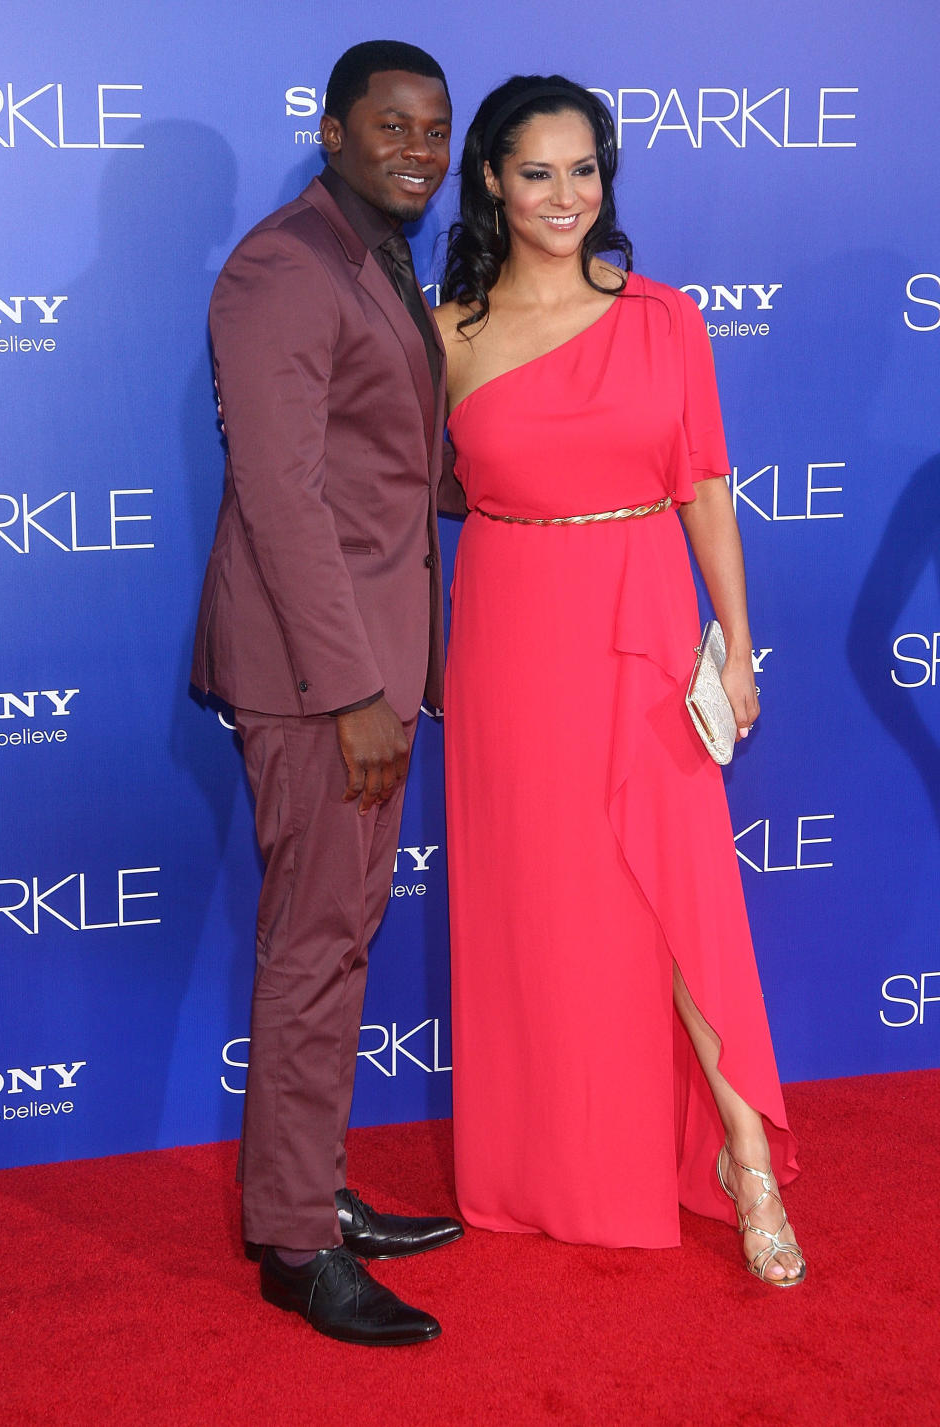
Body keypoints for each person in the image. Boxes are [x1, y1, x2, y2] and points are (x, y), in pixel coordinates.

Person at [434, 75, 806, 1286]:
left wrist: (735, 643)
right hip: (509, 628)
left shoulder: (665, 317)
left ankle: (745, 1145)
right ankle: (557, 1164)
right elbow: (407, 501)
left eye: (584, 169)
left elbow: (704, 484)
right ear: (490, 178)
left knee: (677, 889)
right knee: (540, 900)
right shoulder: (448, 330)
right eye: (536, 172)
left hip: (644, 619)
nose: (564, 196)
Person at [191, 40, 467, 1345]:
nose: (421, 149)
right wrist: (358, 686)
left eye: (436, 129)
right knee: (313, 948)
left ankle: (314, 1188)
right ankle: (296, 1244)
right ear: (335, 129)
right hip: (321, 677)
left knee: (335, 938)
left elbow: (393, 463)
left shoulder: (377, 258)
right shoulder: (281, 267)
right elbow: (284, 498)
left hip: (367, 661)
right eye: (394, 126)